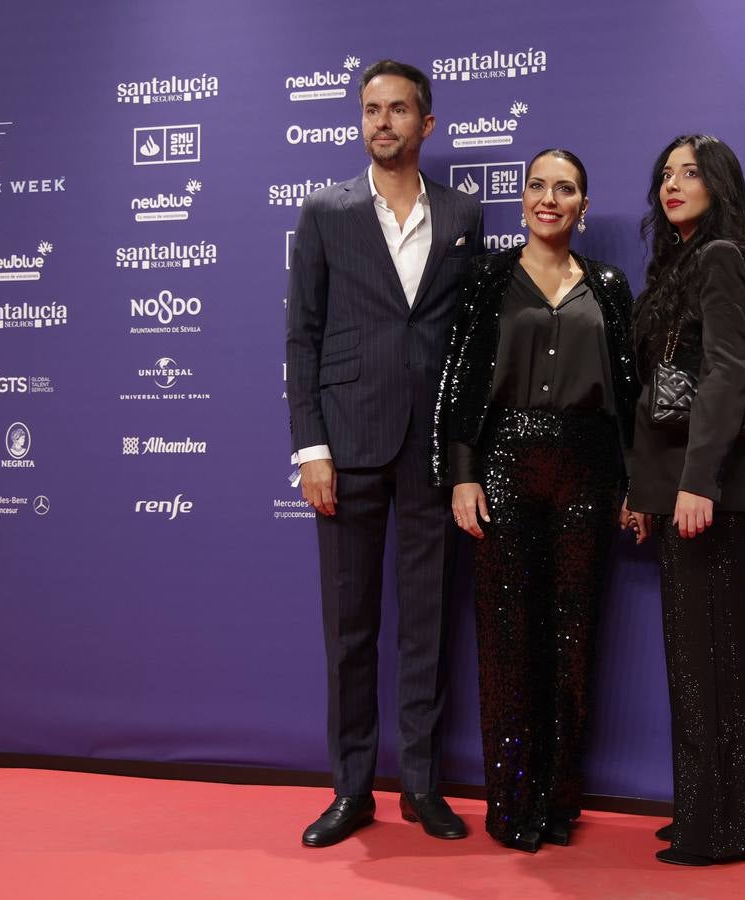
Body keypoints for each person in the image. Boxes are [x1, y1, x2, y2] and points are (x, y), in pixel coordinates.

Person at [285, 59, 484, 847]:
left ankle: (424, 787)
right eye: (371, 109)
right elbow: (301, 336)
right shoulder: (325, 212)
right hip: (346, 443)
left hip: (431, 445)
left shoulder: (463, 214)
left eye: (399, 109)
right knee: (349, 629)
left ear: (425, 124)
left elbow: (467, 342)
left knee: (427, 625)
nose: (383, 122)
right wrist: (311, 447)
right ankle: (351, 788)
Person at [432, 149, 641, 853]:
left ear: (583, 205)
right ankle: (511, 799)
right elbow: (459, 382)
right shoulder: (489, 279)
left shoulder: (610, 286)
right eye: (537, 186)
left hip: (587, 470)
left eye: (566, 189)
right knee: (507, 636)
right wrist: (461, 473)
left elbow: (630, 395)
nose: (549, 198)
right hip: (505, 467)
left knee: (572, 636)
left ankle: (557, 800)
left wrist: (635, 483)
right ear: (521, 199)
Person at [625, 134, 745, 866]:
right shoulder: (679, 266)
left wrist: (695, 481)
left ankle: (709, 825)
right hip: (677, 485)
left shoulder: (717, 258)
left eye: (689, 173)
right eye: (665, 174)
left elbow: (725, 372)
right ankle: (720, 811)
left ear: (719, 184)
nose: (673, 183)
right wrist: (645, 487)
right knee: (700, 654)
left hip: (702, 488)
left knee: (701, 659)